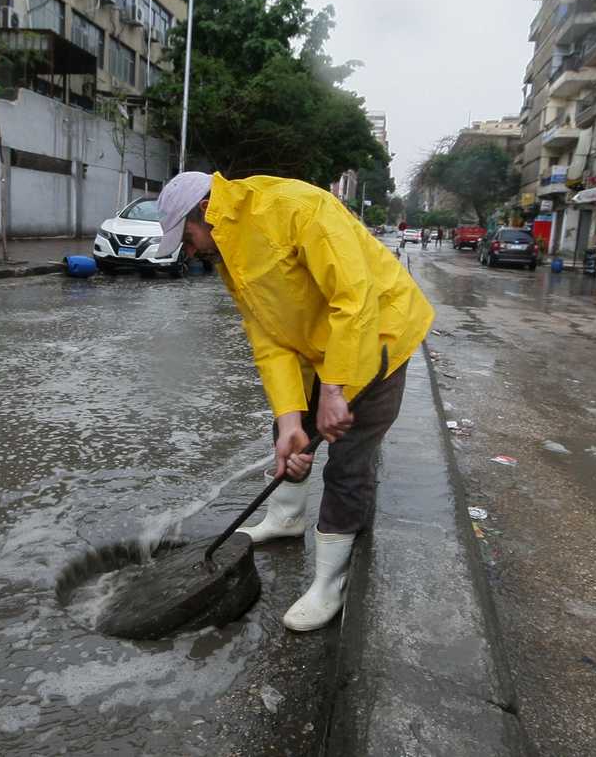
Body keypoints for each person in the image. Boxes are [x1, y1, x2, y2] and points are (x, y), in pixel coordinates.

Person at [151, 172, 434, 631]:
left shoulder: (297, 208)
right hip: (318, 346)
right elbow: (269, 340)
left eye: (187, 238)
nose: (188, 250)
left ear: (206, 211)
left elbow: (355, 298)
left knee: (348, 457)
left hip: (380, 333)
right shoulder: (230, 254)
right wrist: (288, 421)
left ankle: (330, 581)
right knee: (292, 434)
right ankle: (285, 518)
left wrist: (336, 390)